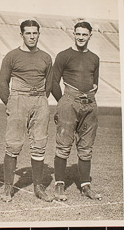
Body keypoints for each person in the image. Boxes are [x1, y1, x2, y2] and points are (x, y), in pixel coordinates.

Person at [0, 20, 53, 202]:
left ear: (39, 34)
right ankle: (7, 188)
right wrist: (11, 103)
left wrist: (41, 101)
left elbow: (49, 84)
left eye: (34, 33)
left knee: (39, 144)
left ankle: (38, 186)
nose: (31, 36)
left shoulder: (45, 57)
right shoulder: (12, 56)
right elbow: (2, 83)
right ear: (21, 34)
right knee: (13, 144)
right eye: (28, 33)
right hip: (18, 100)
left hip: (40, 100)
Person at [52, 21, 102, 201]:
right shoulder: (63, 55)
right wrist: (64, 102)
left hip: (90, 104)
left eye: (84, 34)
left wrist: (87, 98)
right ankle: (59, 185)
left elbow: (95, 83)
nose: (81, 37)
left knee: (86, 147)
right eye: (78, 34)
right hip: (69, 102)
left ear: (90, 35)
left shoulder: (94, 58)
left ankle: (85, 186)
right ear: (73, 34)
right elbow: (53, 83)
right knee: (64, 145)